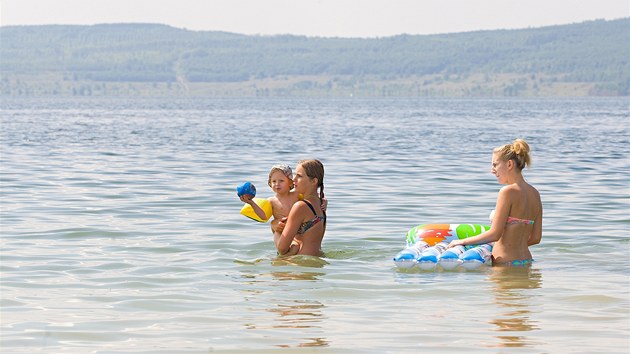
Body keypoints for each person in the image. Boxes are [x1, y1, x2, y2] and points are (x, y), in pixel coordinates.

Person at [447, 139, 542, 266]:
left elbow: (495, 234)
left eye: (495, 164)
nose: (492, 170)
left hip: (505, 262)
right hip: (526, 260)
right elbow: (536, 238)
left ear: (509, 164)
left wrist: (461, 242)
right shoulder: (535, 193)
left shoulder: (507, 192)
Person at [275, 159, 326, 257]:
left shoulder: (300, 206)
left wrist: (277, 231)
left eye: (299, 176)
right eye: (295, 175)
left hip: (299, 267)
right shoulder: (321, 205)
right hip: (317, 265)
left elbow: (282, 249)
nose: (293, 180)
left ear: (314, 181)